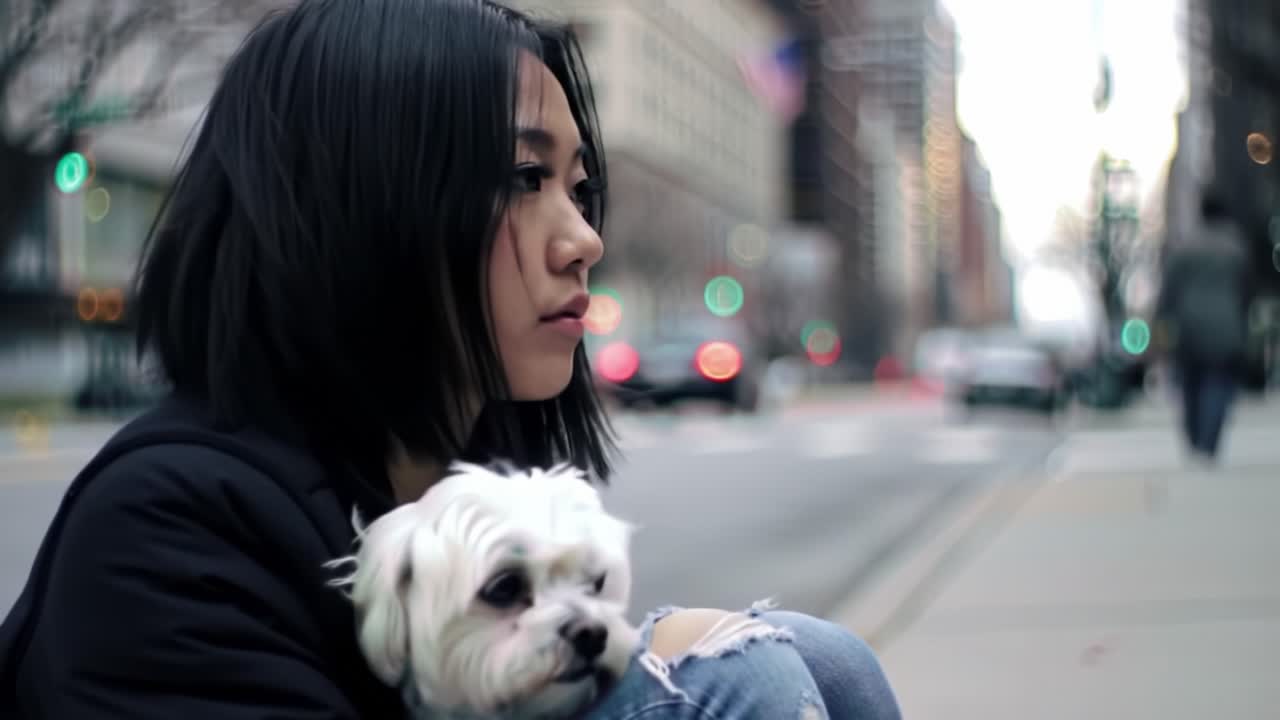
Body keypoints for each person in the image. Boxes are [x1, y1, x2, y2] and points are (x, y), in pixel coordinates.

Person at [0, 1, 901, 718]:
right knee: (746, 680)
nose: (584, 239)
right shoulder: (168, 530)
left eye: (580, 190)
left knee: (827, 659)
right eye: (523, 179)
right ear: (359, 200)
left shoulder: (458, 478)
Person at [1156, 191, 1254, 463]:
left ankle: (1195, 436)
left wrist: (1162, 318)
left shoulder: (1187, 246)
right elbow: (1247, 290)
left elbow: (1169, 289)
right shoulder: (1236, 247)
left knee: (1192, 383)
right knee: (1218, 383)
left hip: (1190, 326)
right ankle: (1209, 440)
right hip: (1227, 326)